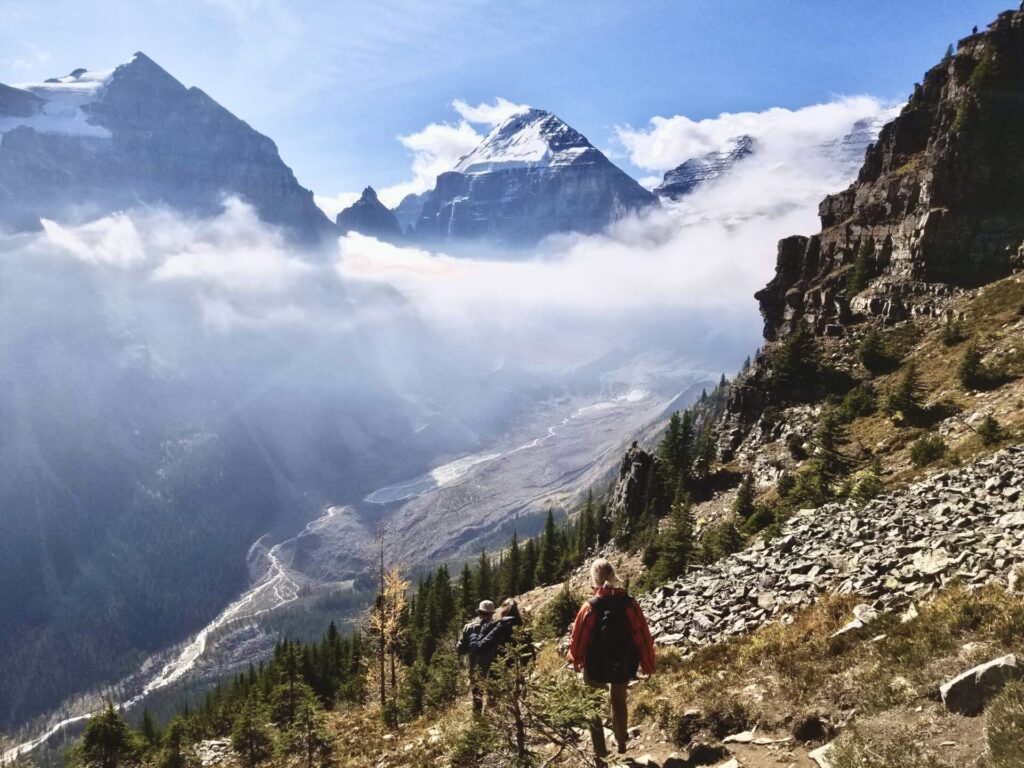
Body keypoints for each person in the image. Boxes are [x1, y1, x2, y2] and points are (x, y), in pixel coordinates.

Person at [568, 558, 655, 758]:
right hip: (623, 662)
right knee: (618, 701)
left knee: (593, 705)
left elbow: (578, 638)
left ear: (594, 579)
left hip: (595, 665)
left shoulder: (590, 606)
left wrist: (576, 660)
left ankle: (600, 752)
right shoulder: (629, 603)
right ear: (613, 575)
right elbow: (642, 634)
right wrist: (647, 664)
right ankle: (622, 741)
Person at [469, 598, 535, 678]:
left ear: (504, 609)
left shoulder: (499, 626)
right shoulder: (522, 628)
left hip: (499, 674)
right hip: (518, 674)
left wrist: (475, 632)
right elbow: (531, 656)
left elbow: (478, 648)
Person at [456, 599, 495, 713]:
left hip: (475, 666)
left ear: (479, 612)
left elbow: (460, 648)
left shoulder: (468, 627)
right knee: (493, 694)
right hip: (493, 667)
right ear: (492, 614)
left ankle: (477, 719)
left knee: (477, 695)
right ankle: (491, 716)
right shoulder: (496, 627)